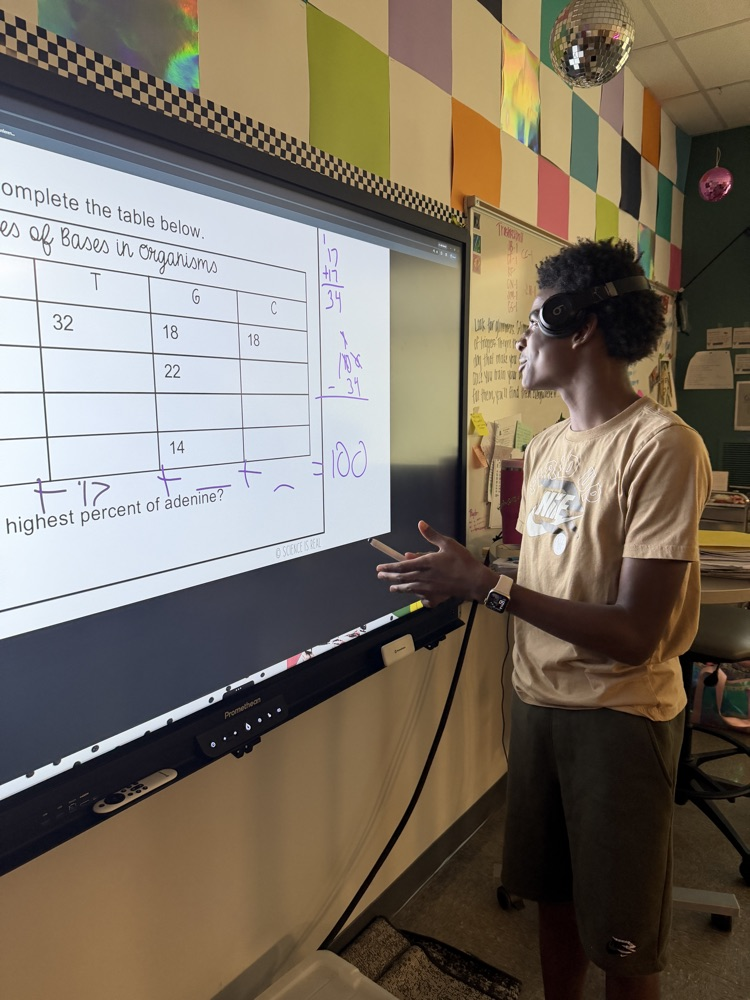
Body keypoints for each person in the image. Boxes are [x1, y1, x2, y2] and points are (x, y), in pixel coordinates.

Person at [376, 238, 711, 1000]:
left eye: (533, 322)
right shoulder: (549, 447)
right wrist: (468, 579)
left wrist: (491, 588)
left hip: (618, 718)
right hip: (537, 705)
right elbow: (552, 571)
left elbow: (636, 635)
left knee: (623, 942)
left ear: (580, 326)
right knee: (552, 900)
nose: (521, 341)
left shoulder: (662, 449)